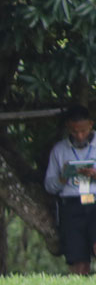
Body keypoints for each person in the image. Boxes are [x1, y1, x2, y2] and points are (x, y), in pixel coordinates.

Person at [44, 105, 96, 275]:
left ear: (91, 124)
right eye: (74, 131)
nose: (79, 135)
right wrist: (63, 178)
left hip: (94, 200)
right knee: (77, 256)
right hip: (71, 206)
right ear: (68, 127)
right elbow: (49, 186)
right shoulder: (59, 150)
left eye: (83, 131)